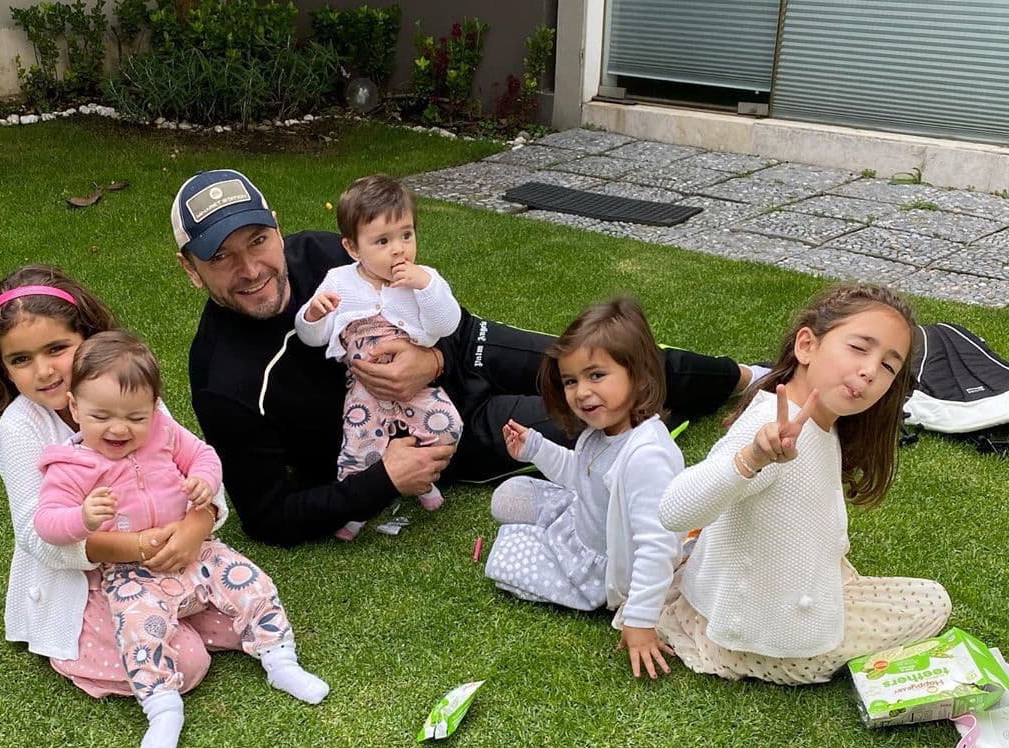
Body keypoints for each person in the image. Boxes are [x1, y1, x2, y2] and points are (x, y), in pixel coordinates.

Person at [173, 168, 767, 547]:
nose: (251, 269)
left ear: (276, 228)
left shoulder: (325, 254)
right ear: (190, 270)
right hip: (438, 433)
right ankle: (667, 453)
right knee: (591, 417)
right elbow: (268, 517)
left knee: (607, 363)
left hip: (463, 350)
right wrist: (385, 478)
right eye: (221, 257)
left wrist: (430, 363)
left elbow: (440, 316)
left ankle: (757, 380)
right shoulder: (222, 378)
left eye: (257, 241)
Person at [33, 331, 330, 748]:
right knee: (141, 628)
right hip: (133, 571)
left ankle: (281, 662)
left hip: (197, 549)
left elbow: (205, 457)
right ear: (75, 408)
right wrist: (81, 518)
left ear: (154, 409)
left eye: (135, 418)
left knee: (251, 583)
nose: (119, 429)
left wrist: (203, 482)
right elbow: (45, 522)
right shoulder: (70, 465)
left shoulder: (164, 433)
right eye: (102, 417)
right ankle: (161, 705)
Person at [0, 266, 245, 712]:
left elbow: (191, 461)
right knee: (187, 663)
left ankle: (170, 614)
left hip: (163, 558)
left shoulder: (126, 387)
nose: (43, 371)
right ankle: (77, 651)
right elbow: (34, 533)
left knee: (241, 622)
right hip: (83, 579)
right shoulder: (20, 427)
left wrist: (199, 523)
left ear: (88, 337)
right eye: (20, 360)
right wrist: (132, 545)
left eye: (57, 348)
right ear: (2, 367)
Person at [656, 282, 952, 685]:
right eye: (860, 348)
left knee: (918, 596)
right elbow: (673, 510)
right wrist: (752, 458)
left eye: (887, 366)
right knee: (932, 603)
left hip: (766, 596)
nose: (869, 370)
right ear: (806, 345)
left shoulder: (821, 423)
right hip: (755, 635)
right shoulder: (771, 429)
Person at [484, 298, 683, 679]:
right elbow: (581, 475)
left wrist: (639, 620)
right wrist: (535, 448)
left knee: (504, 558)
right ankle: (543, 531)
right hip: (580, 517)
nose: (581, 392)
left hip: (599, 565)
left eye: (596, 375)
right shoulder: (601, 431)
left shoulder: (646, 456)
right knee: (509, 495)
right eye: (571, 381)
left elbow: (656, 546)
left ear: (638, 376)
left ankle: (540, 545)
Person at [295, 174, 463, 539]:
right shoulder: (339, 281)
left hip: (415, 385)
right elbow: (314, 338)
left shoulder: (425, 280)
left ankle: (422, 480)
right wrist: (313, 314)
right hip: (364, 389)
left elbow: (447, 324)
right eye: (383, 241)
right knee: (358, 445)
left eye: (406, 235)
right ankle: (358, 508)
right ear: (354, 248)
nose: (399, 249)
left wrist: (425, 286)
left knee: (448, 424)